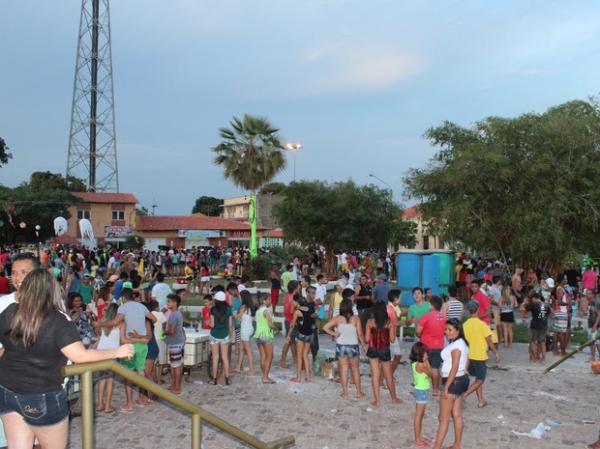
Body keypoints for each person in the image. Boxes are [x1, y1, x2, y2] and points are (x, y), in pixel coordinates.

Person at [0, 269, 133, 449]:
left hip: (7, 390)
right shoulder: (57, 320)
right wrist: (117, 352)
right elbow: (80, 355)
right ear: (51, 290)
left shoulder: (8, 312)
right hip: (42, 394)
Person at [432, 318, 469, 449]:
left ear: (458, 330)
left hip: (453, 382)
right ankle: (457, 444)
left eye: (450, 330)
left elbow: (454, 366)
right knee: (457, 415)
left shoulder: (456, 346)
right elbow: (466, 363)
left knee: (443, 418)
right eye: (446, 329)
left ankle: (437, 447)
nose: (447, 332)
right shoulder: (461, 343)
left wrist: (446, 387)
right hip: (461, 379)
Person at [323, 297, 365, 400]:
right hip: (353, 346)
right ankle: (358, 393)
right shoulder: (356, 318)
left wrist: (334, 333)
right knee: (355, 369)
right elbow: (360, 334)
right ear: (351, 307)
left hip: (341, 346)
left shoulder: (337, 318)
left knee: (344, 369)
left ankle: (345, 394)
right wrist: (364, 345)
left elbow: (325, 327)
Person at [462, 301, 500, 408]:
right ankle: (464, 395)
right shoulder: (482, 324)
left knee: (477, 379)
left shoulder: (465, 325)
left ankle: (481, 401)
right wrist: (496, 352)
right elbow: (489, 340)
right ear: (478, 310)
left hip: (471, 354)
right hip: (480, 355)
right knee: (480, 380)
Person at [365, 302, 401, 408]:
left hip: (373, 349)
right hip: (384, 350)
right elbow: (392, 339)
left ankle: (377, 401)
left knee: (375, 375)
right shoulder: (389, 322)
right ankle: (394, 398)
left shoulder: (370, 322)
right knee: (388, 375)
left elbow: (367, 339)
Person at [416, 295, 447, 396]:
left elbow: (418, 331)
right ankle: (435, 390)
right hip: (439, 346)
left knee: (423, 365)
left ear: (432, 305)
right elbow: (447, 331)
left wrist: (420, 335)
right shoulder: (444, 317)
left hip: (425, 345)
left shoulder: (426, 316)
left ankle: (423, 385)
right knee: (435, 368)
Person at [96, 303, 120, 413]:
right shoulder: (119, 323)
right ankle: (108, 406)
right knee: (110, 380)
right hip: (111, 353)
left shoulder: (103, 321)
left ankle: (100, 404)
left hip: (101, 352)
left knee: (101, 379)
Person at [286, 294, 315, 383]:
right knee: (305, 356)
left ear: (298, 303)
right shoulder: (310, 310)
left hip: (301, 335)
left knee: (299, 357)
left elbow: (292, 325)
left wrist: (288, 335)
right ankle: (308, 377)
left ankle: (298, 378)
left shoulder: (297, 312)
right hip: (309, 335)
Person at [410, 342, 433, 448]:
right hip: (421, 392)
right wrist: (427, 361)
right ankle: (417, 439)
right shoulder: (420, 365)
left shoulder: (415, 363)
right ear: (420, 355)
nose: (427, 355)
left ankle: (419, 436)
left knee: (421, 415)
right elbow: (431, 374)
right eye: (425, 354)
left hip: (422, 390)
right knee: (419, 416)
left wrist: (425, 360)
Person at [254, 294, 279, 384]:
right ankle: (265, 377)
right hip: (266, 335)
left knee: (263, 356)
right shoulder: (266, 310)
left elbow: (257, 321)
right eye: (269, 299)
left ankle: (264, 375)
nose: (270, 301)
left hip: (258, 335)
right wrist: (276, 329)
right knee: (269, 356)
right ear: (264, 301)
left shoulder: (258, 311)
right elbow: (270, 324)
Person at [210, 291, 232, 385]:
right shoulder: (228, 310)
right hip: (225, 335)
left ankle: (214, 379)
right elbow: (230, 325)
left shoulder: (213, 310)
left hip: (214, 335)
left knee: (215, 358)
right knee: (225, 358)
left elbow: (212, 324)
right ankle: (227, 379)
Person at [163, 294, 185, 394]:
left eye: (169, 301)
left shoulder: (173, 315)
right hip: (178, 342)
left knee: (175, 366)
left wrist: (164, 332)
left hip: (175, 343)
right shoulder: (178, 313)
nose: (167, 303)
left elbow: (171, 331)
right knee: (175, 365)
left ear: (175, 303)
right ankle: (174, 384)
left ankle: (177, 387)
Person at [522, 291, 551, 363]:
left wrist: (524, 302)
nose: (532, 300)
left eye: (532, 299)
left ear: (535, 298)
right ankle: (543, 359)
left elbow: (524, 308)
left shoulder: (533, 304)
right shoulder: (546, 304)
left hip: (534, 325)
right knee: (542, 342)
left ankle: (535, 358)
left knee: (533, 341)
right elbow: (549, 314)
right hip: (543, 325)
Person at [234, 290, 255, 375]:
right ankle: (238, 367)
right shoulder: (250, 306)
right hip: (249, 328)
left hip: (244, 329)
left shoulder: (243, 306)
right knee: (241, 349)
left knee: (248, 350)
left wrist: (235, 314)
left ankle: (252, 369)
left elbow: (238, 319)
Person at [280, 280, 299, 369]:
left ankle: (295, 360)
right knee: (289, 342)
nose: (299, 287)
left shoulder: (288, 295)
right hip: (291, 321)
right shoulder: (292, 297)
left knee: (292, 342)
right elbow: (291, 311)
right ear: (295, 288)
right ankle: (283, 361)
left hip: (289, 320)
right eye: (298, 286)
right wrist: (297, 307)